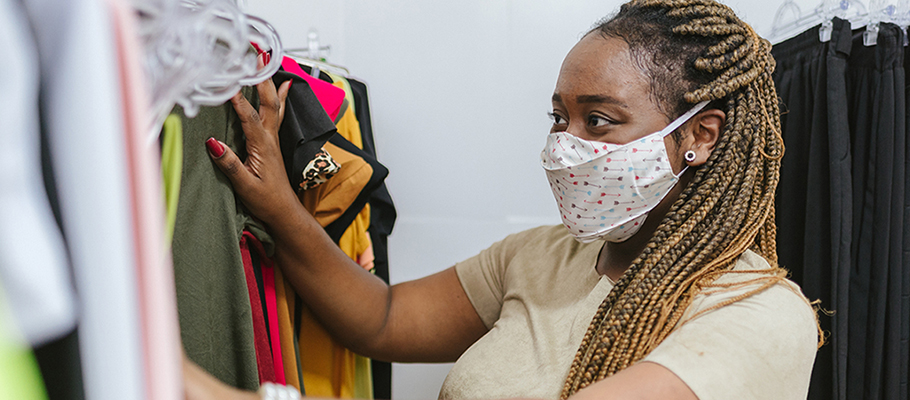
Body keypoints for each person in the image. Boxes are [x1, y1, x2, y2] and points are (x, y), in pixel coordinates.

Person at [189, 0, 821, 399]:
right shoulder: (547, 255)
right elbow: (381, 318)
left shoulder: (758, 313)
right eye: (558, 119)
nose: (564, 147)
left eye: (599, 120)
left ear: (698, 136)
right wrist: (278, 208)